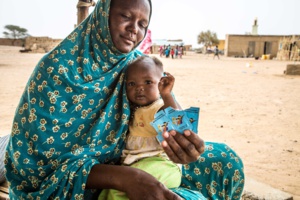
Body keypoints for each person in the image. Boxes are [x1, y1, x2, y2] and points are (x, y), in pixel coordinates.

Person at [3, 0, 244, 199]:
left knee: (226, 160)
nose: (134, 29)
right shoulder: (57, 70)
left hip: (140, 159)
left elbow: (165, 115)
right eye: (125, 16)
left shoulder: (135, 65)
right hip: (78, 184)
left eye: (142, 23)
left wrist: (182, 145)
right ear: (103, 15)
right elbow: (35, 168)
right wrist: (125, 177)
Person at [99, 56, 186, 199]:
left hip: (162, 164)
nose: (139, 88)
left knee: (117, 193)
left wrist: (167, 95)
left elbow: (173, 119)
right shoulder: (132, 109)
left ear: (161, 83)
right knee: (107, 191)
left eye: (148, 82)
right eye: (132, 84)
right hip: (139, 165)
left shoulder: (157, 107)